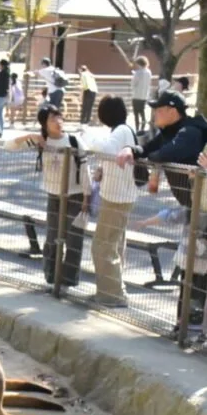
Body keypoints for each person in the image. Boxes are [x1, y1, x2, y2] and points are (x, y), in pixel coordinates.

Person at [119, 90, 207, 332]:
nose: (154, 115)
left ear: (172, 111)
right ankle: (186, 323)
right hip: (194, 207)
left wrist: (152, 159)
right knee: (191, 264)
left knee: (199, 266)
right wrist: (133, 151)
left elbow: (167, 153)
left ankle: (194, 325)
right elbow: (148, 148)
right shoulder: (170, 132)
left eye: (158, 110)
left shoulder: (189, 131)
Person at [11, 103, 88, 287]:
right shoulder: (41, 141)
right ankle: (51, 277)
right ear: (44, 123)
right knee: (52, 238)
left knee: (73, 239)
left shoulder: (74, 141)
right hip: (53, 196)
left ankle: (69, 281)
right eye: (52, 118)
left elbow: (85, 170)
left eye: (59, 117)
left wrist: (87, 197)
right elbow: (10, 145)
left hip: (75, 196)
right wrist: (30, 136)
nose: (57, 121)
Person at [85, 95, 139, 307]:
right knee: (114, 244)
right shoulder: (122, 131)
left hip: (117, 197)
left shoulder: (121, 131)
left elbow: (107, 150)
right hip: (119, 195)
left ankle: (112, 294)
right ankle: (112, 290)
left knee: (103, 245)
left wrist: (88, 135)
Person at [129, 56, 153, 130]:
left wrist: (133, 75)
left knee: (136, 113)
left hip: (136, 95)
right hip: (144, 95)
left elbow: (133, 84)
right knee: (142, 111)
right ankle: (143, 126)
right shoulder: (149, 72)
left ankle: (137, 128)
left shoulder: (138, 73)